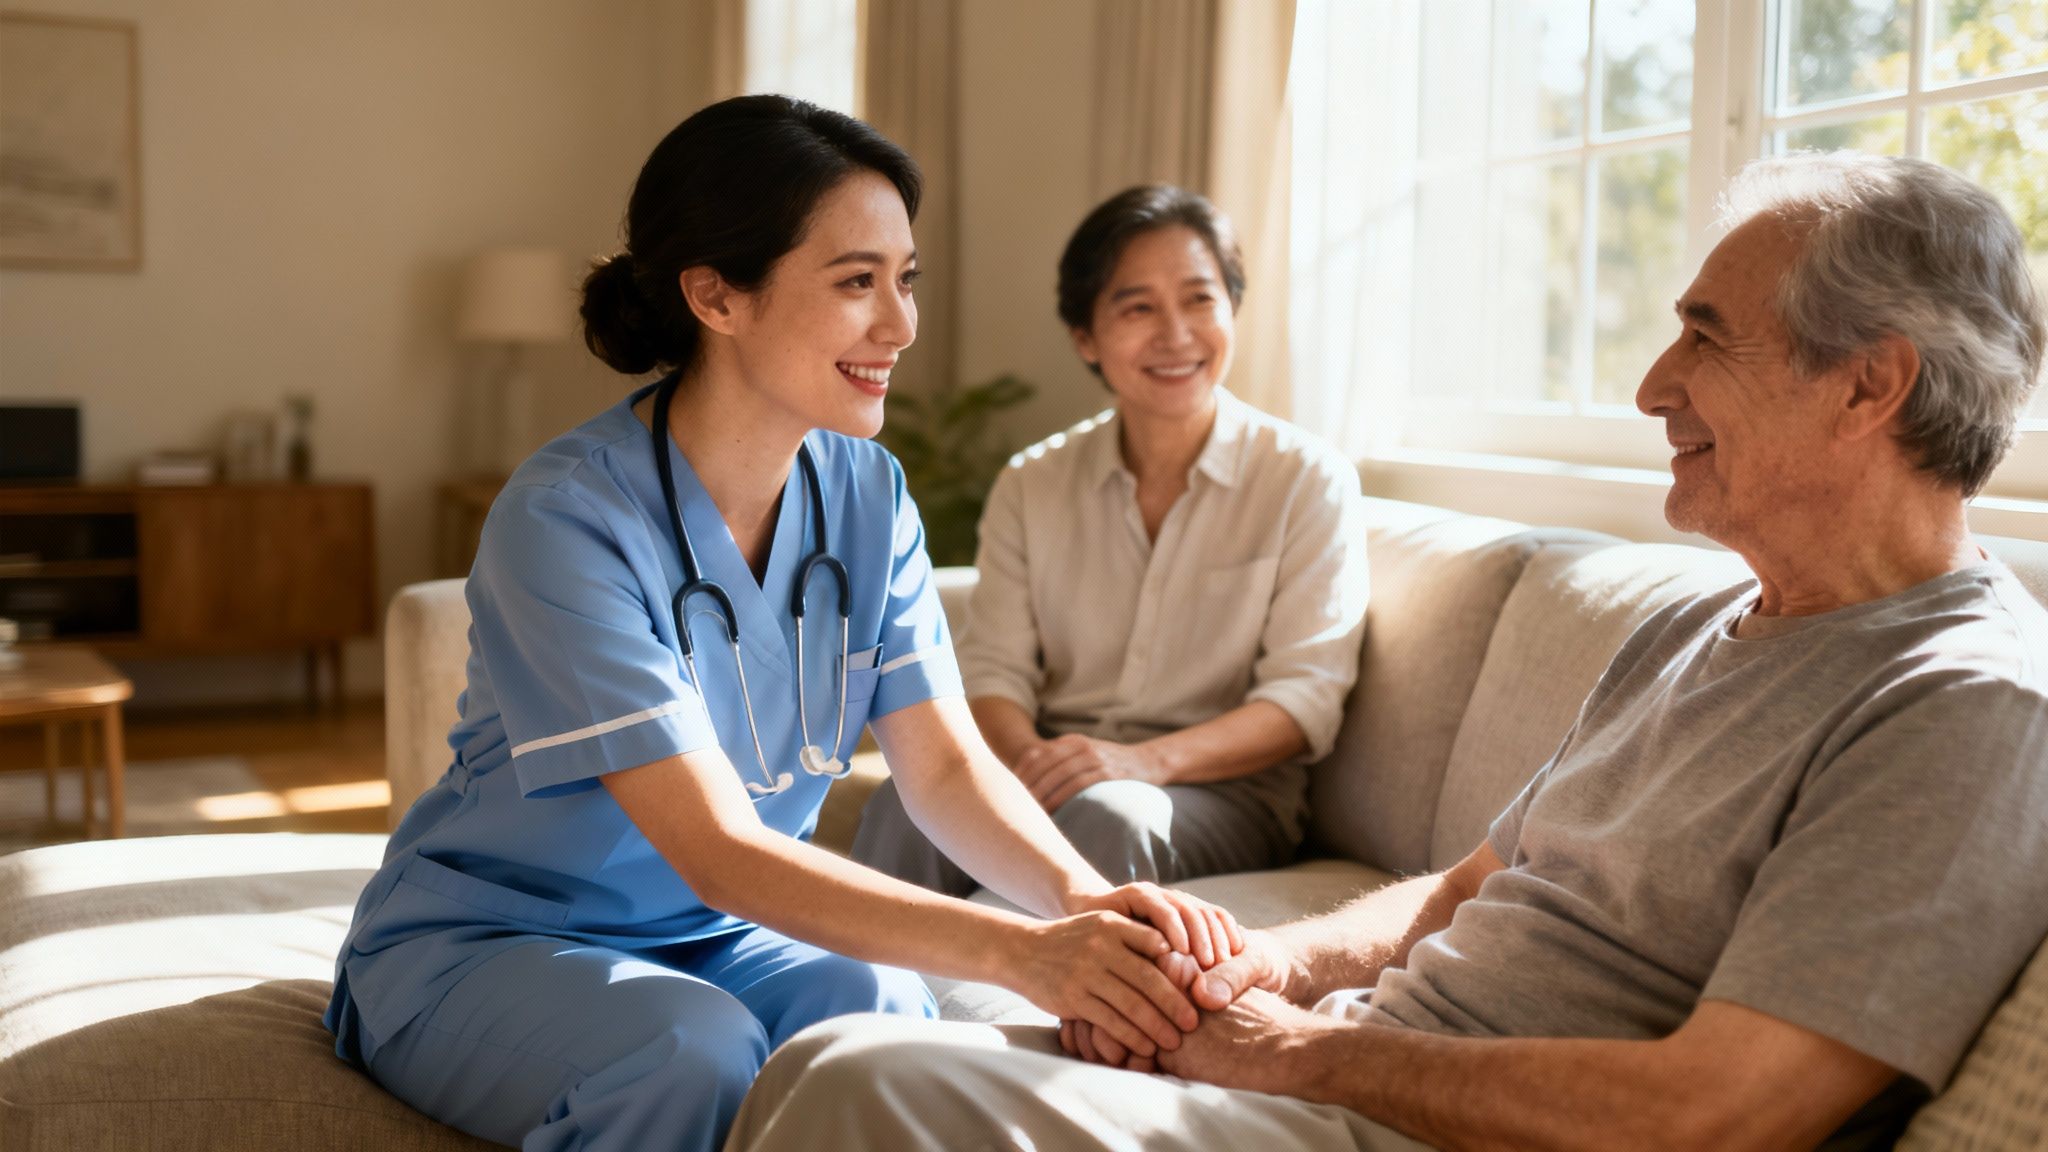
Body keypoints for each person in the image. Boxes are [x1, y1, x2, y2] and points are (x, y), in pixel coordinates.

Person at [727, 152, 2048, 1152]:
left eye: (1706, 335)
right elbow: (1458, 891)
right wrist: (1244, 975)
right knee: (846, 1035)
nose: (1652, 384)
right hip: (1359, 1063)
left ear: (1872, 385)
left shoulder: (1964, 706)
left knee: (864, 1083)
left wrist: (1297, 1057)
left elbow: (1716, 1113)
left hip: (1422, 1125)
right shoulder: (1703, 619)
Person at [322, 96, 1246, 1152]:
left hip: (719, 937)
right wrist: (1024, 957)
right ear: (715, 296)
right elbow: (716, 849)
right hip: (489, 941)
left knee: (886, 1013)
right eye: (856, 283)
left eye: (904, 280)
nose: (898, 326)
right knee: (687, 1051)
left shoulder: (869, 494)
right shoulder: (566, 519)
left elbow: (941, 771)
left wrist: (1085, 904)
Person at [854, 184, 1370, 891]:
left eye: (1199, 299)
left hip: (1220, 793)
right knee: (905, 807)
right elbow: (995, 670)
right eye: (1138, 308)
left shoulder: (1307, 480)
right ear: (1086, 337)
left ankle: (1024, 999)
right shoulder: (1032, 483)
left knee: (1107, 816)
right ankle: (869, 997)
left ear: (1233, 311)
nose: (1176, 334)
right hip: (1053, 762)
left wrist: (1143, 762)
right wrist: (1030, 763)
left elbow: (1303, 702)